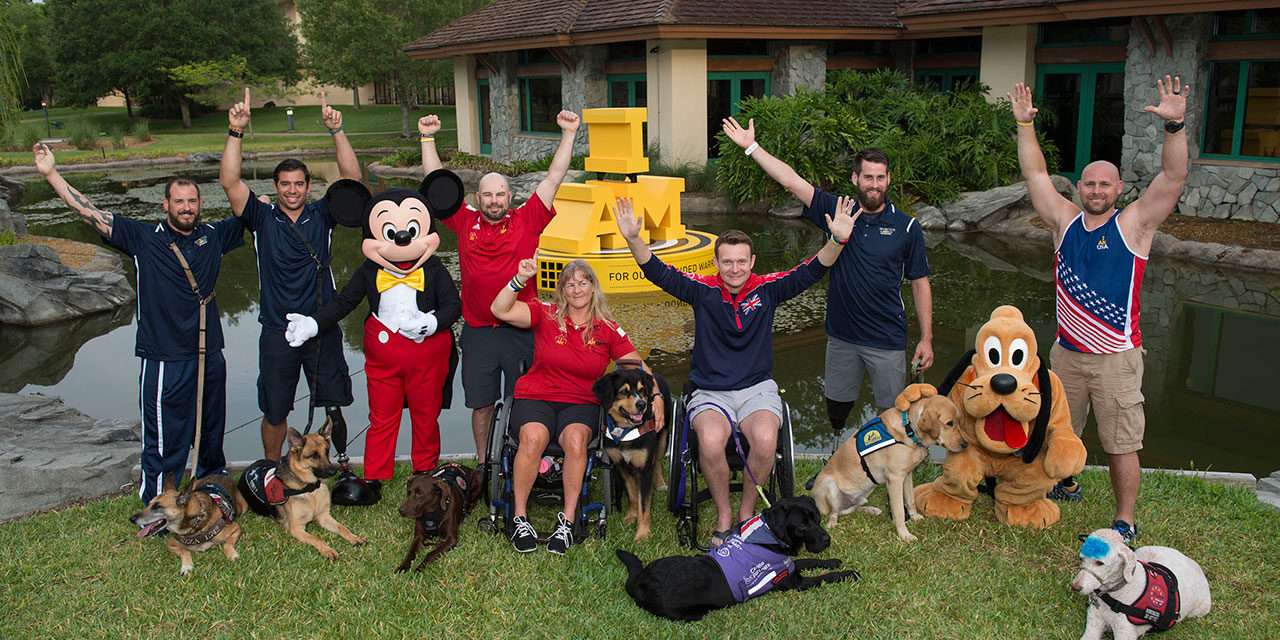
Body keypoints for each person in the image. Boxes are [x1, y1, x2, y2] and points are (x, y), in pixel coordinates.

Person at [616, 195, 857, 545]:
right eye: (727, 262)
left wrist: (837, 239)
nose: (734, 268)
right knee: (711, 441)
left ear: (752, 262)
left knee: (764, 439)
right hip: (710, 390)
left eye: (741, 262)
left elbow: (813, 268)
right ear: (716, 262)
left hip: (756, 388)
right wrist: (633, 239)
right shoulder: (702, 290)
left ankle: (746, 511)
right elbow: (658, 271)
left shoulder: (768, 289)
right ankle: (723, 514)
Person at [1009, 76, 1189, 544]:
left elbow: (1172, 178)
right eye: (1088, 183)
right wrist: (1024, 125)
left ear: (1118, 188)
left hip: (1115, 360)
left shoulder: (1134, 226)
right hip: (1066, 354)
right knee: (1052, 428)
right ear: (1081, 186)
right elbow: (1035, 176)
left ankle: (1125, 519)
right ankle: (1065, 481)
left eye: (1104, 184)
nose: (1095, 190)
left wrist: (1175, 127)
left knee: (1121, 443)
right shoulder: (1064, 222)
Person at [33, 143, 245, 503]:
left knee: (211, 427)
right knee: (164, 435)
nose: (186, 208)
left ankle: (212, 489)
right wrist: (52, 173)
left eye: (192, 201)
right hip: (164, 357)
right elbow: (90, 213)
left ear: (200, 204)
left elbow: (246, 204)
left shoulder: (215, 235)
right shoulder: (143, 238)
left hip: (210, 354)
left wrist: (235, 135)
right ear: (166, 205)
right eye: (179, 202)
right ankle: (160, 501)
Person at [721, 119, 933, 433]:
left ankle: (890, 468)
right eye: (867, 177)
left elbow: (920, 283)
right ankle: (837, 454)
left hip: (887, 339)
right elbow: (792, 182)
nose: (873, 184)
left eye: (880, 178)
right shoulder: (837, 210)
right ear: (855, 178)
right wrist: (752, 147)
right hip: (842, 337)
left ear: (888, 180)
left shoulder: (907, 228)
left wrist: (927, 338)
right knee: (836, 408)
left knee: (893, 415)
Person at [418, 110, 580, 463]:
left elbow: (555, 176)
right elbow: (436, 186)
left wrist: (568, 133)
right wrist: (428, 139)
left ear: (510, 196)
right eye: (488, 195)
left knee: (527, 401)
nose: (494, 201)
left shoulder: (528, 219)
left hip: (522, 329)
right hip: (478, 333)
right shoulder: (464, 222)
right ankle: (483, 462)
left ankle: (528, 459)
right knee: (481, 403)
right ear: (478, 196)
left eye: (500, 195)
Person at [218, 88, 360, 461]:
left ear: (308, 186)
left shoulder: (323, 214)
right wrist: (236, 131)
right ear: (275, 187)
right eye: (285, 184)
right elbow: (231, 182)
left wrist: (337, 131)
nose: (292, 190)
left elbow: (353, 181)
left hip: (321, 326)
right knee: (276, 408)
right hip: (278, 330)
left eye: (299, 183)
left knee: (333, 403)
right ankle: (270, 467)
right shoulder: (263, 217)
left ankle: (340, 464)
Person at [490, 257, 657, 555]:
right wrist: (518, 279)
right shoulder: (546, 313)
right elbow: (499, 309)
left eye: (583, 282)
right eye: (570, 284)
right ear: (562, 290)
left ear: (593, 287)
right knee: (532, 438)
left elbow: (636, 364)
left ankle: (567, 521)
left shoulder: (607, 328)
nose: (577, 289)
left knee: (577, 441)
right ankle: (519, 517)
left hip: (580, 402)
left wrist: (654, 396)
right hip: (537, 395)